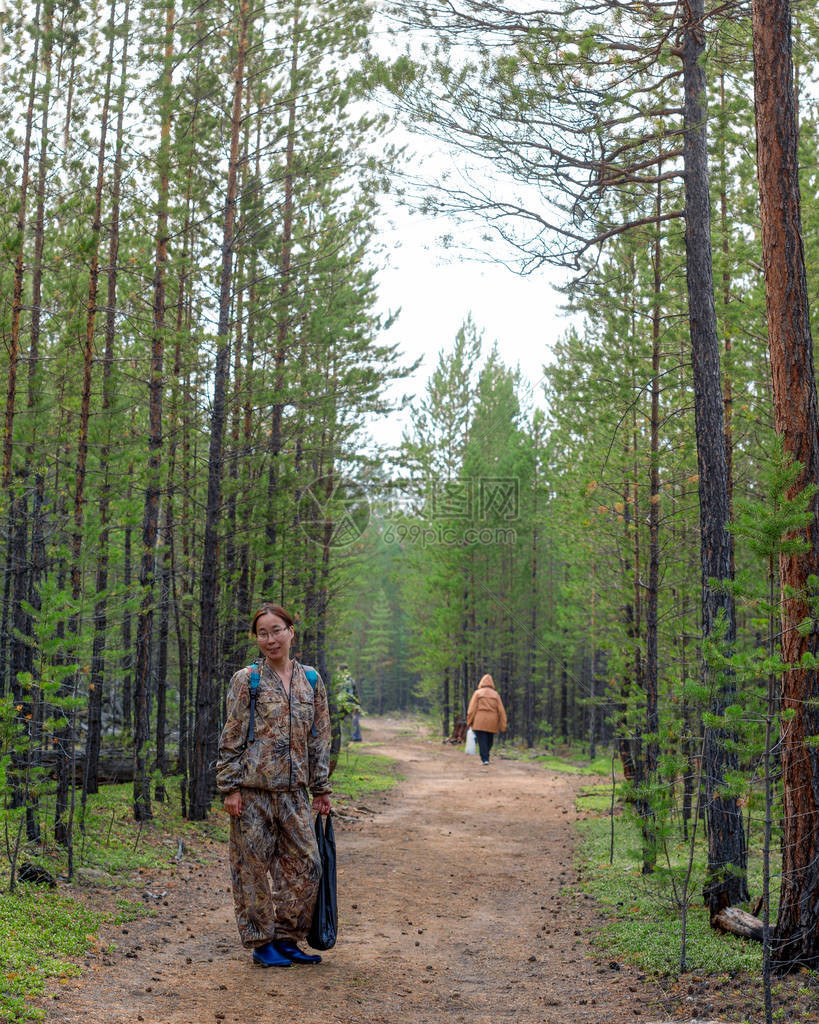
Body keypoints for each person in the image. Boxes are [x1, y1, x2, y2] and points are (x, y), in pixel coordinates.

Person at [216, 603, 332, 968]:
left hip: (296, 795)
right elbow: (231, 737)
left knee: (308, 866)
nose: (270, 639)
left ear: (291, 631)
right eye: (263, 633)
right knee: (251, 870)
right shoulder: (246, 680)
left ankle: (286, 938)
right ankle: (260, 941)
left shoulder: (310, 680)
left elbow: (319, 737)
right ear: (257, 638)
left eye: (277, 630)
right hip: (252, 794)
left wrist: (321, 787)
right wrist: (229, 788)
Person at [466, 673, 507, 765]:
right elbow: (501, 711)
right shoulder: (496, 695)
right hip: (492, 721)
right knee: (489, 740)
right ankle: (486, 756)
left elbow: (472, 709)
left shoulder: (477, 693)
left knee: (482, 740)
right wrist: (503, 725)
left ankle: (485, 758)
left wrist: (469, 722)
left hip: (479, 720)